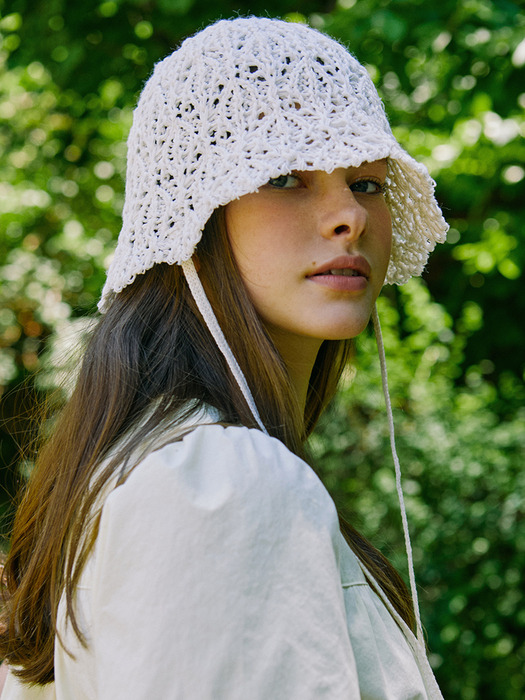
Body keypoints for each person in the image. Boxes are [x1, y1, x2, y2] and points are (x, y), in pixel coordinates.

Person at [0, 16, 448, 699]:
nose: (348, 217)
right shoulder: (220, 485)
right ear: (193, 215)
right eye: (284, 176)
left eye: (366, 183)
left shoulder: (151, 465)